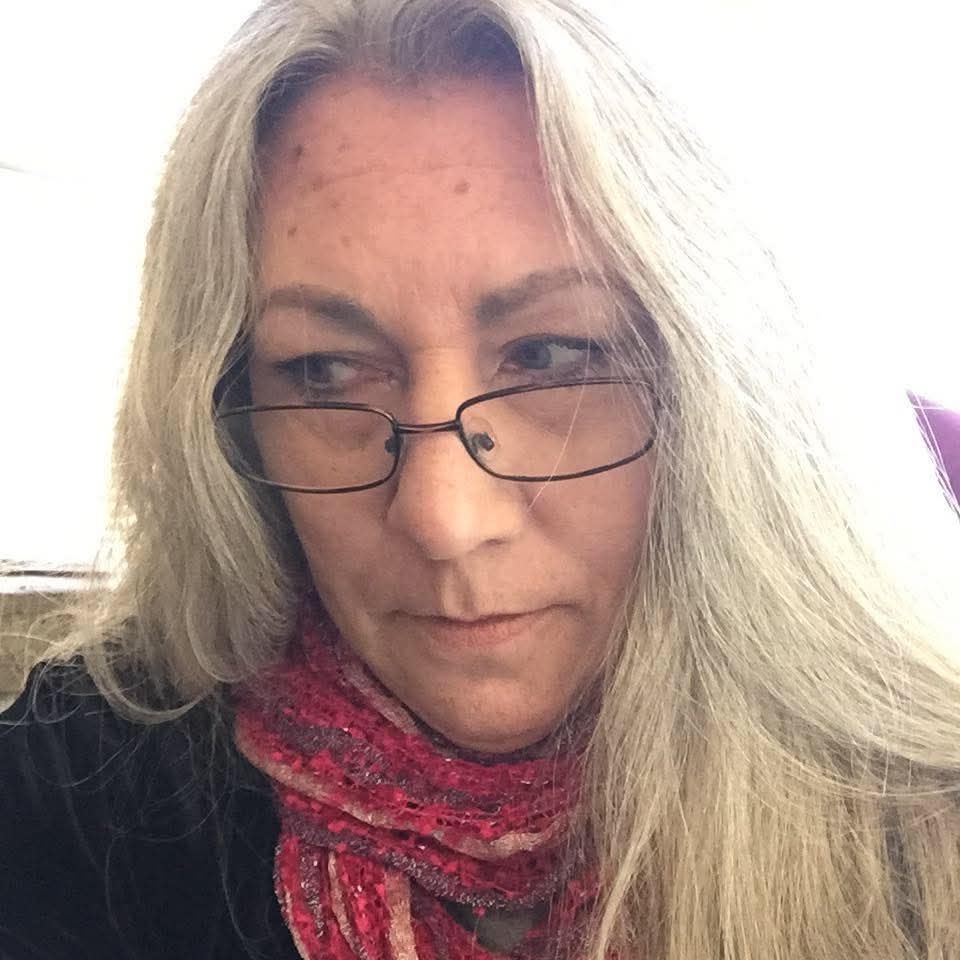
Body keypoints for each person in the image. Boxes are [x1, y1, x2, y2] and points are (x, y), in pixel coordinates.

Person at [2, 1, 959, 958]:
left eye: (552, 355)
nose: (443, 517)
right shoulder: (87, 788)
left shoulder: (922, 809)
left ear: (726, 391)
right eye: (326, 371)